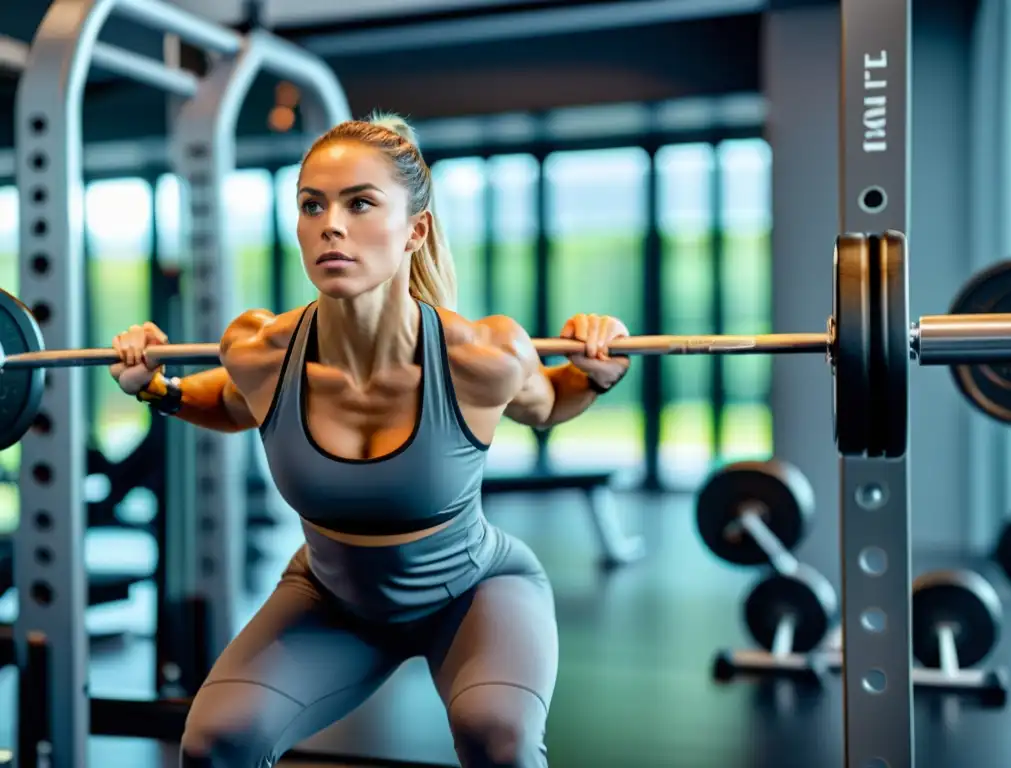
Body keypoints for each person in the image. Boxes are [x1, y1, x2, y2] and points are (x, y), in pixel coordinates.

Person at [109, 113, 631, 768]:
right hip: (331, 599)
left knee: (499, 737)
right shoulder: (259, 349)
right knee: (216, 742)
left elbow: (550, 401)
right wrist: (155, 386)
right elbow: (232, 402)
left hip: (473, 594)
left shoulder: (483, 354)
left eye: (359, 203)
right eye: (312, 205)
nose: (331, 223)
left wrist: (595, 372)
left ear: (415, 230)